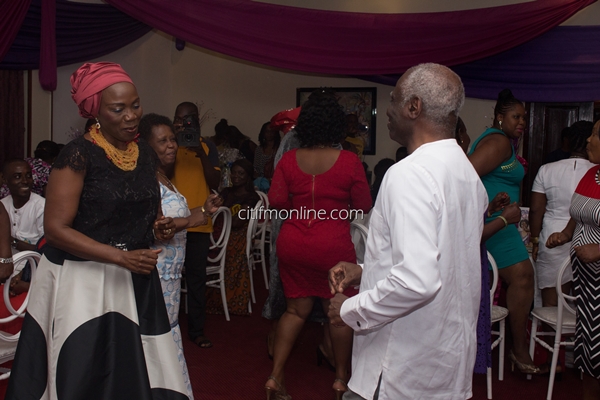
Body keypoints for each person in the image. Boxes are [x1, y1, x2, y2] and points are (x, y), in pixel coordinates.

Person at [6, 62, 188, 398]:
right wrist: (120, 257)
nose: (131, 116)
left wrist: (158, 225)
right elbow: (56, 229)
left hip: (133, 277)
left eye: (135, 105)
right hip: (82, 280)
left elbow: (146, 213)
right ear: (96, 112)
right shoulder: (77, 155)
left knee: (134, 372)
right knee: (83, 373)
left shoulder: (145, 154)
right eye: (118, 109)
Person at [327, 63, 487, 400]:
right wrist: (365, 271)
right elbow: (441, 262)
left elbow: (417, 280)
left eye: (394, 99)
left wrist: (351, 309)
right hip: (444, 361)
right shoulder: (465, 173)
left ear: (414, 107)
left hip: (401, 365)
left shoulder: (408, 174)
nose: (388, 109)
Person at [265, 89, 372, 400]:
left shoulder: (287, 160)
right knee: (337, 314)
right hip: (333, 246)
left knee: (295, 312)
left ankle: (275, 377)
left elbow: (277, 203)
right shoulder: (350, 161)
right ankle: (340, 380)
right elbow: (363, 204)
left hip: (294, 243)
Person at [139, 113, 221, 399]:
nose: (171, 145)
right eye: (162, 141)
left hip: (171, 276)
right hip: (155, 274)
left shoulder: (164, 177)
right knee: (154, 341)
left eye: (172, 139)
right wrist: (176, 223)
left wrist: (205, 210)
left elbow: (179, 221)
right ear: (146, 146)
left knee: (167, 335)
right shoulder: (145, 180)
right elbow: (157, 228)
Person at [468, 88, 541, 374]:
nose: (522, 122)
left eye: (524, 117)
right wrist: (488, 211)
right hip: (497, 224)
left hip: (499, 216)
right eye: (516, 116)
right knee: (523, 276)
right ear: (500, 118)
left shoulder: (504, 141)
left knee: (523, 277)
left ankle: (514, 348)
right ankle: (519, 350)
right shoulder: (498, 141)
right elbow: (466, 173)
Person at [546, 120, 600, 400]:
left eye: (596, 135)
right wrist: (566, 234)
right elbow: (578, 211)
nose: (589, 140)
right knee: (590, 356)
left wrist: (598, 250)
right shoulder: (592, 175)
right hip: (588, 287)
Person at [171, 101, 221, 348]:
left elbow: (215, 181)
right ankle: (166, 328)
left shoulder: (208, 146)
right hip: (172, 222)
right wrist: (176, 141)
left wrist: (200, 153)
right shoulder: (169, 143)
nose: (185, 123)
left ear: (198, 121)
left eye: (190, 119)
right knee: (167, 277)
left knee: (196, 279)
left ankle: (197, 329)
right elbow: (162, 175)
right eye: (180, 119)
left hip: (199, 222)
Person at [531, 121, 594, 309]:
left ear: (569, 141)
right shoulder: (594, 172)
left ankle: (552, 339)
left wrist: (534, 240)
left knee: (551, 304)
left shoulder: (546, 170)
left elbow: (536, 210)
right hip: (588, 237)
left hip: (552, 236)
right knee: (586, 301)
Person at [206, 159, 259, 316]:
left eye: (240, 173)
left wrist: (224, 215)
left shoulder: (251, 197)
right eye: (234, 172)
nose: (236, 176)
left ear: (248, 176)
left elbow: (237, 222)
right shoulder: (226, 192)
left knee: (217, 247)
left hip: (237, 235)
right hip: (219, 232)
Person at [1, 159, 45, 252]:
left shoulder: (41, 207)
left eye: (28, 176)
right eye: (17, 176)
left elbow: (46, 250)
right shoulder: (3, 205)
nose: (25, 181)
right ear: (5, 179)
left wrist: (11, 240)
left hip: (31, 263)